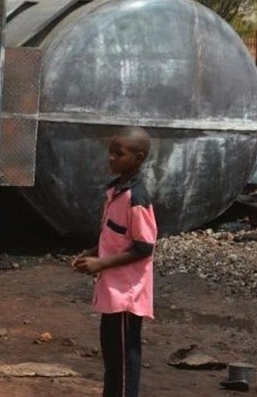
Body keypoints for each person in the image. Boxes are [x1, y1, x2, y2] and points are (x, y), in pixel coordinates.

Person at [72, 127, 157, 397]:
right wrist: (92, 251)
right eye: (110, 152)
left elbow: (144, 247)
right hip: (112, 291)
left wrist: (101, 264)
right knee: (112, 358)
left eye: (118, 154)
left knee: (124, 361)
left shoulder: (137, 199)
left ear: (138, 158)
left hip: (127, 295)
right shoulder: (115, 191)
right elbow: (113, 234)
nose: (111, 158)